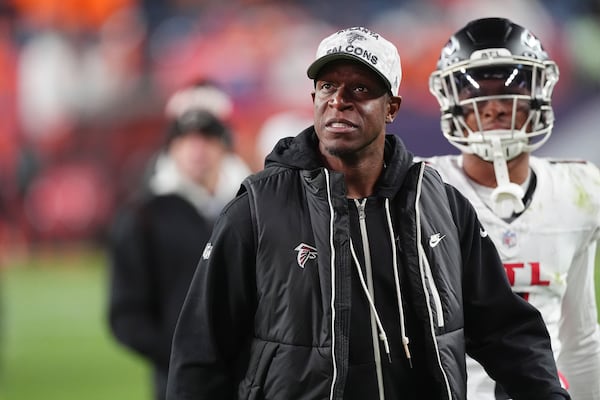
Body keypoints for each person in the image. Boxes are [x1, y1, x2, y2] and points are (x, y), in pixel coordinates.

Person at [166, 26, 570, 400]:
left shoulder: (442, 205)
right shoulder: (257, 206)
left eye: (360, 89)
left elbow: (506, 331)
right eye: (328, 87)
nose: (339, 101)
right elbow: (202, 350)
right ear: (313, 100)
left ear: (391, 107)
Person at [423, 17, 600, 399]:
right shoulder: (419, 189)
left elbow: (580, 338)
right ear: (451, 100)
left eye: (512, 86)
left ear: (539, 92)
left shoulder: (579, 191)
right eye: (476, 90)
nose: (495, 106)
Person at [107, 81, 251, 400]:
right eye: (187, 139)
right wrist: (182, 355)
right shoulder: (142, 216)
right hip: (179, 384)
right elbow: (126, 314)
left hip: (253, 380)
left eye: (207, 137)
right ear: (171, 146)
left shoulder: (255, 206)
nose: (197, 149)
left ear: (225, 144)